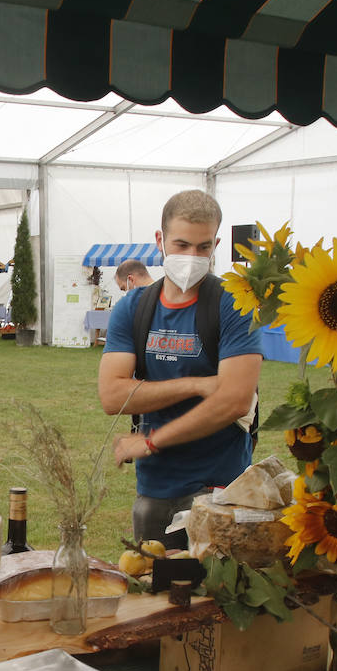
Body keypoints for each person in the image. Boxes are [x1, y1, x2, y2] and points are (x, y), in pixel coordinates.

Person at [97, 189, 263, 545]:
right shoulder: (135, 307)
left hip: (221, 487)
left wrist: (152, 441)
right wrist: (197, 386)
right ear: (160, 240)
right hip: (156, 486)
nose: (192, 256)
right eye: (182, 244)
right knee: (155, 588)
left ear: (216, 243)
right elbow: (112, 395)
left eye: (203, 247)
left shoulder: (234, 303)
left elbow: (234, 400)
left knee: (216, 594)